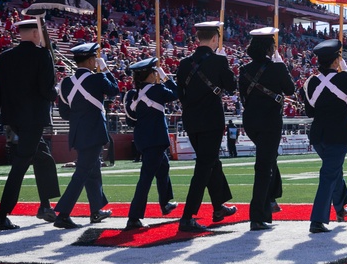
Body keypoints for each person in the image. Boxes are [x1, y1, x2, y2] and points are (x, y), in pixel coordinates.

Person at [0, 18, 60, 230]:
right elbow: (47, 91)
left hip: (11, 121)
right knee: (20, 166)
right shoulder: (42, 55)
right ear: (37, 33)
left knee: (43, 157)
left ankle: (45, 206)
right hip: (33, 121)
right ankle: (1, 216)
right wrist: (58, 90)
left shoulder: (5, 57)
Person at [175, 21, 237, 233]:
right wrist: (224, 63)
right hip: (211, 121)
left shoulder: (184, 63)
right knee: (204, 166)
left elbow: (180, 94)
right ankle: (187, 216)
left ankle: (218, 206)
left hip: (191, 121)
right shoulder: (219, 61)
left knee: (211, 162)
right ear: (214, 39)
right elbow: (231, 86)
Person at [303, 39, 347, 234]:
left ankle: (340, 208)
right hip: (337, 135)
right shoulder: (343, 78)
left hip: (318, 135)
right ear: (336, 59)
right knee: (329, 174)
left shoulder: (309, 82)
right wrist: (346, 70)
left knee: (334, 171)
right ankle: (317, 220)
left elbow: (309, 112)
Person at [54, 43, 119, 229]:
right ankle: (63, 214)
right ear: (92, 60)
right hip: (95, 131)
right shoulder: (97, 78)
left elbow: (65, 113)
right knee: (82, 172)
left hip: (77, 132)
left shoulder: (66, 82)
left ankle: (96, 210)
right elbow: (114, 90)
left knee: (93, 170)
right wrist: (105, 68)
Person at [239, 27, 296, 231]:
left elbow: (242, 96)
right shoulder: (276, 68)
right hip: (270, 121)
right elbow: (290, 89)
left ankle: (272, 199)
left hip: (250, 120)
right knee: (264, 167)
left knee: (269, 159)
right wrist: (281, 65)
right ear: (270, 47)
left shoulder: (244, 69)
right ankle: (258, 215)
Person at [122, 57, 179, 231]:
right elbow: (177, 93)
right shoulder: (158, 90)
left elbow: (130, 121)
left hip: (143, 140)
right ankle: (134, 217)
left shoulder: (132, 95)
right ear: (151, 74)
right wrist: (166, 78)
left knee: (163, 167)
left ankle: (166, 202)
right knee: (145, 179)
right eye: (154, 72)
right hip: (155, 140)